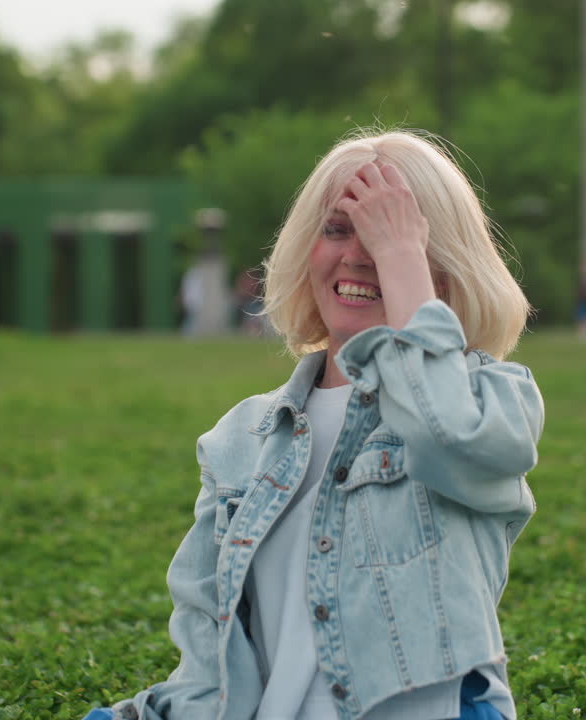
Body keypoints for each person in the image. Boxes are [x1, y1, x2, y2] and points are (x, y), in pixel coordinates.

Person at [85, 129, 544, 720]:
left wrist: (402, 259)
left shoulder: (495, 398)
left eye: (389, 231)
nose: (358, 253)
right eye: (336, 228)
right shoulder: (241, 437)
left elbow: (442, 433)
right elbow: (209, 656)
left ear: (446, 269)